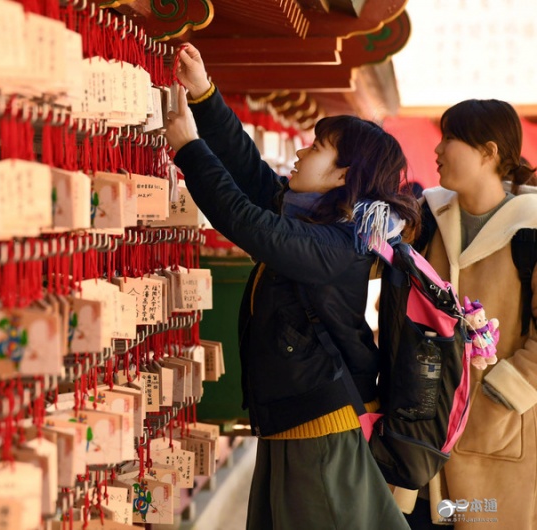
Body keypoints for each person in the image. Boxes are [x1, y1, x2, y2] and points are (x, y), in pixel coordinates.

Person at [164, 44, 419, 530]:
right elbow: (252, 175)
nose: (302, 149)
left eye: (317, 147)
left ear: (343, 175)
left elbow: (249, 224)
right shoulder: (312, 217)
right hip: (295, 417)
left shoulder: (340, 242)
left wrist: (191, 150)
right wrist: (204, 94)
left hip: (321, 427)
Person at [408, 99, 537, 529]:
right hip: (421, 430)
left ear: (489, 151)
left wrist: (497, 398)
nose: (438, 149)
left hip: (495, 433)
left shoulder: (531, 229)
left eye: (450, 138)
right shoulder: (428, 216)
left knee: (479, 518)